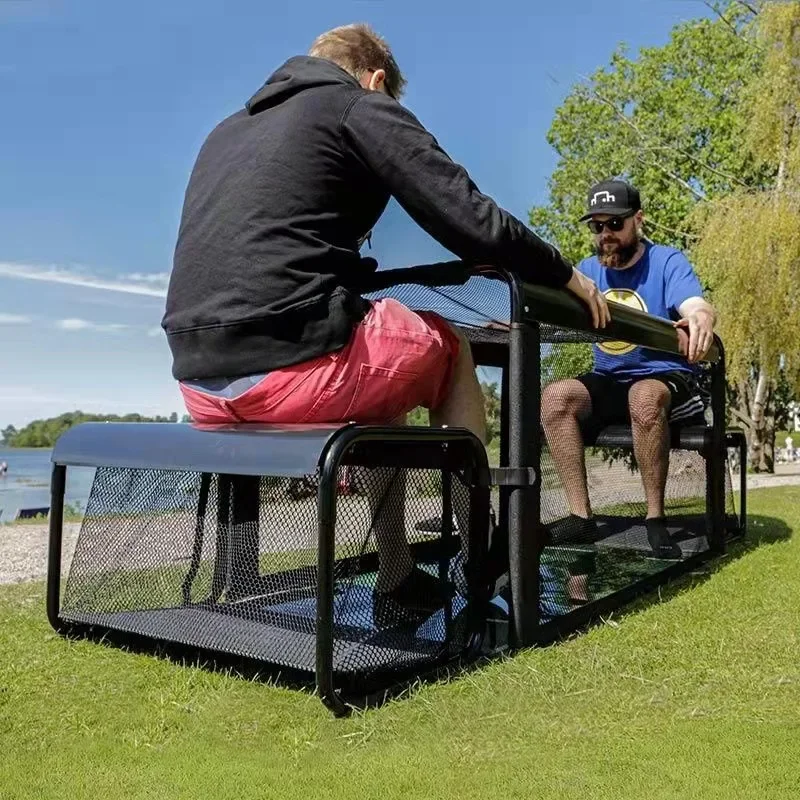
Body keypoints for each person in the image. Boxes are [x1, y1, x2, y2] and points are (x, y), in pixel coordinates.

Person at [162, 23, 610, 623]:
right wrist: (564, 273)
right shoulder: (355, 104)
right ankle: (484, 552)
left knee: (384, 368)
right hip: (295, 367)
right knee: (451, 347)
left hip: (200, 387)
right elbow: (469, 217)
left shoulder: (225, 130)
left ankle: (397, 578)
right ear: (375, 80)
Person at [541, 179, 716, 574]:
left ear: (638, 220)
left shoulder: (667, 262)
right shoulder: (586, 272)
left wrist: (702, 317)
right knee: (555, 397)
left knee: (643, 396)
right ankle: (581, 518)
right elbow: (549, 306)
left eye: (615, 224)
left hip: (666, 378)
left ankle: (655, 519)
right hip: (610, 381)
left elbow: (695, 305)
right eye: (597, 226)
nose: (606, 234)